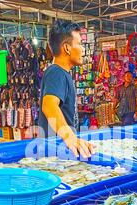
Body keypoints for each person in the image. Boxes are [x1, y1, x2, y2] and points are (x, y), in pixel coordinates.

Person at [39, 20, 95, 158]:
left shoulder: (62, 73)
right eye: (79, 44)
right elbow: (49, 105)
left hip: (61, 152)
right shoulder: (56, 72)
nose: (82, 49)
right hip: (54, 154)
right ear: (67, 48)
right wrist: (70, 137)